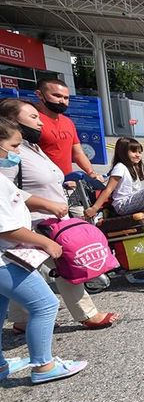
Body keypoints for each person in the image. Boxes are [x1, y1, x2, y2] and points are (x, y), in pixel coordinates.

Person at [0, 98, 119, 332]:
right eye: (33, 117)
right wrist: (46, 204)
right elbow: (8, 191)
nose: (40, 123)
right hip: (31, 223)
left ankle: (22, 319)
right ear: (12, 121)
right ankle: (86, 314)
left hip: (47, 219)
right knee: (65, 263)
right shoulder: (11, 153)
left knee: (24, 270)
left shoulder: (32, 147)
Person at [0, 118, 88, 384]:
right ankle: (43, 365)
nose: (17, 152)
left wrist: (48, 204)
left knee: (0, 309)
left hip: (6, 256)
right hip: (6, 259)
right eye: (13, 146)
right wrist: (45, 243)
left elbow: (19, 196)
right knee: (45, 305)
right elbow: (4, 228)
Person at [33, 78, 102, 180]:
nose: (62, 101)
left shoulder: (68, 122)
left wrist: (91, 173)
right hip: (43, 183)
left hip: (67, 182)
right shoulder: (32, 120)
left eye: (66, 98)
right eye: (57, 96)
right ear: (39, 94)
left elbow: (78, 153)